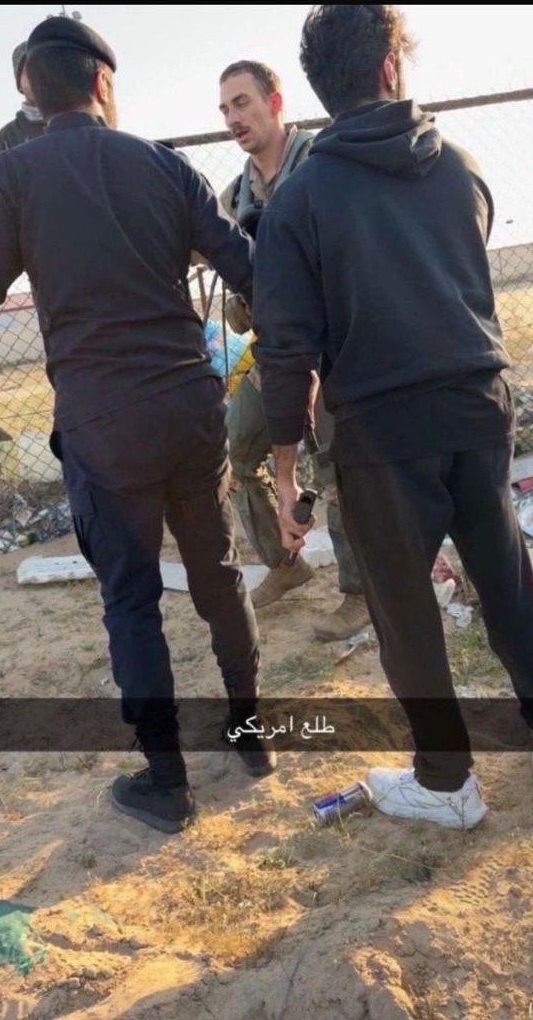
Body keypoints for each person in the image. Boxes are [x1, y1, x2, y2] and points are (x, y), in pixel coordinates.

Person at [253, 4, 533, 830]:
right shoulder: (461, 167)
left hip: (382, 430)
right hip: (478, 402)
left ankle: (446, 780)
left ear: (320, 87)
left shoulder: (299, 199)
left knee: (404, 607)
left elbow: (286, 349)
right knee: (501, 567)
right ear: (390, 67)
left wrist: (285, 470)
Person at [0, 16, 275, 835]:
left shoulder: (11, 176)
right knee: (218, 574)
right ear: (103, 82)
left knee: (131, 600)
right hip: (190, 407)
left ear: (33, 94)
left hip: (102, 422)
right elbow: (247, 268)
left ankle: (167, 782)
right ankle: (252, 737)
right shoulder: (164, 164)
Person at [218, 60, 370, 640]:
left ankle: (358, 593)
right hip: (276, 355)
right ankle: (286, 564)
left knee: (337, 470)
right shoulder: (236, 196)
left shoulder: (320, 165)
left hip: (332, 351)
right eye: (225, 109)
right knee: (237, 451)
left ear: (275, 102)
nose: (233, 118)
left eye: (242, 102)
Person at [0, 42, 45, 154]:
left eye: (42, 70)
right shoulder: (7, 136)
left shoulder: (70, 123)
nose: (37, 77)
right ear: (19, 83)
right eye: (29, 71)